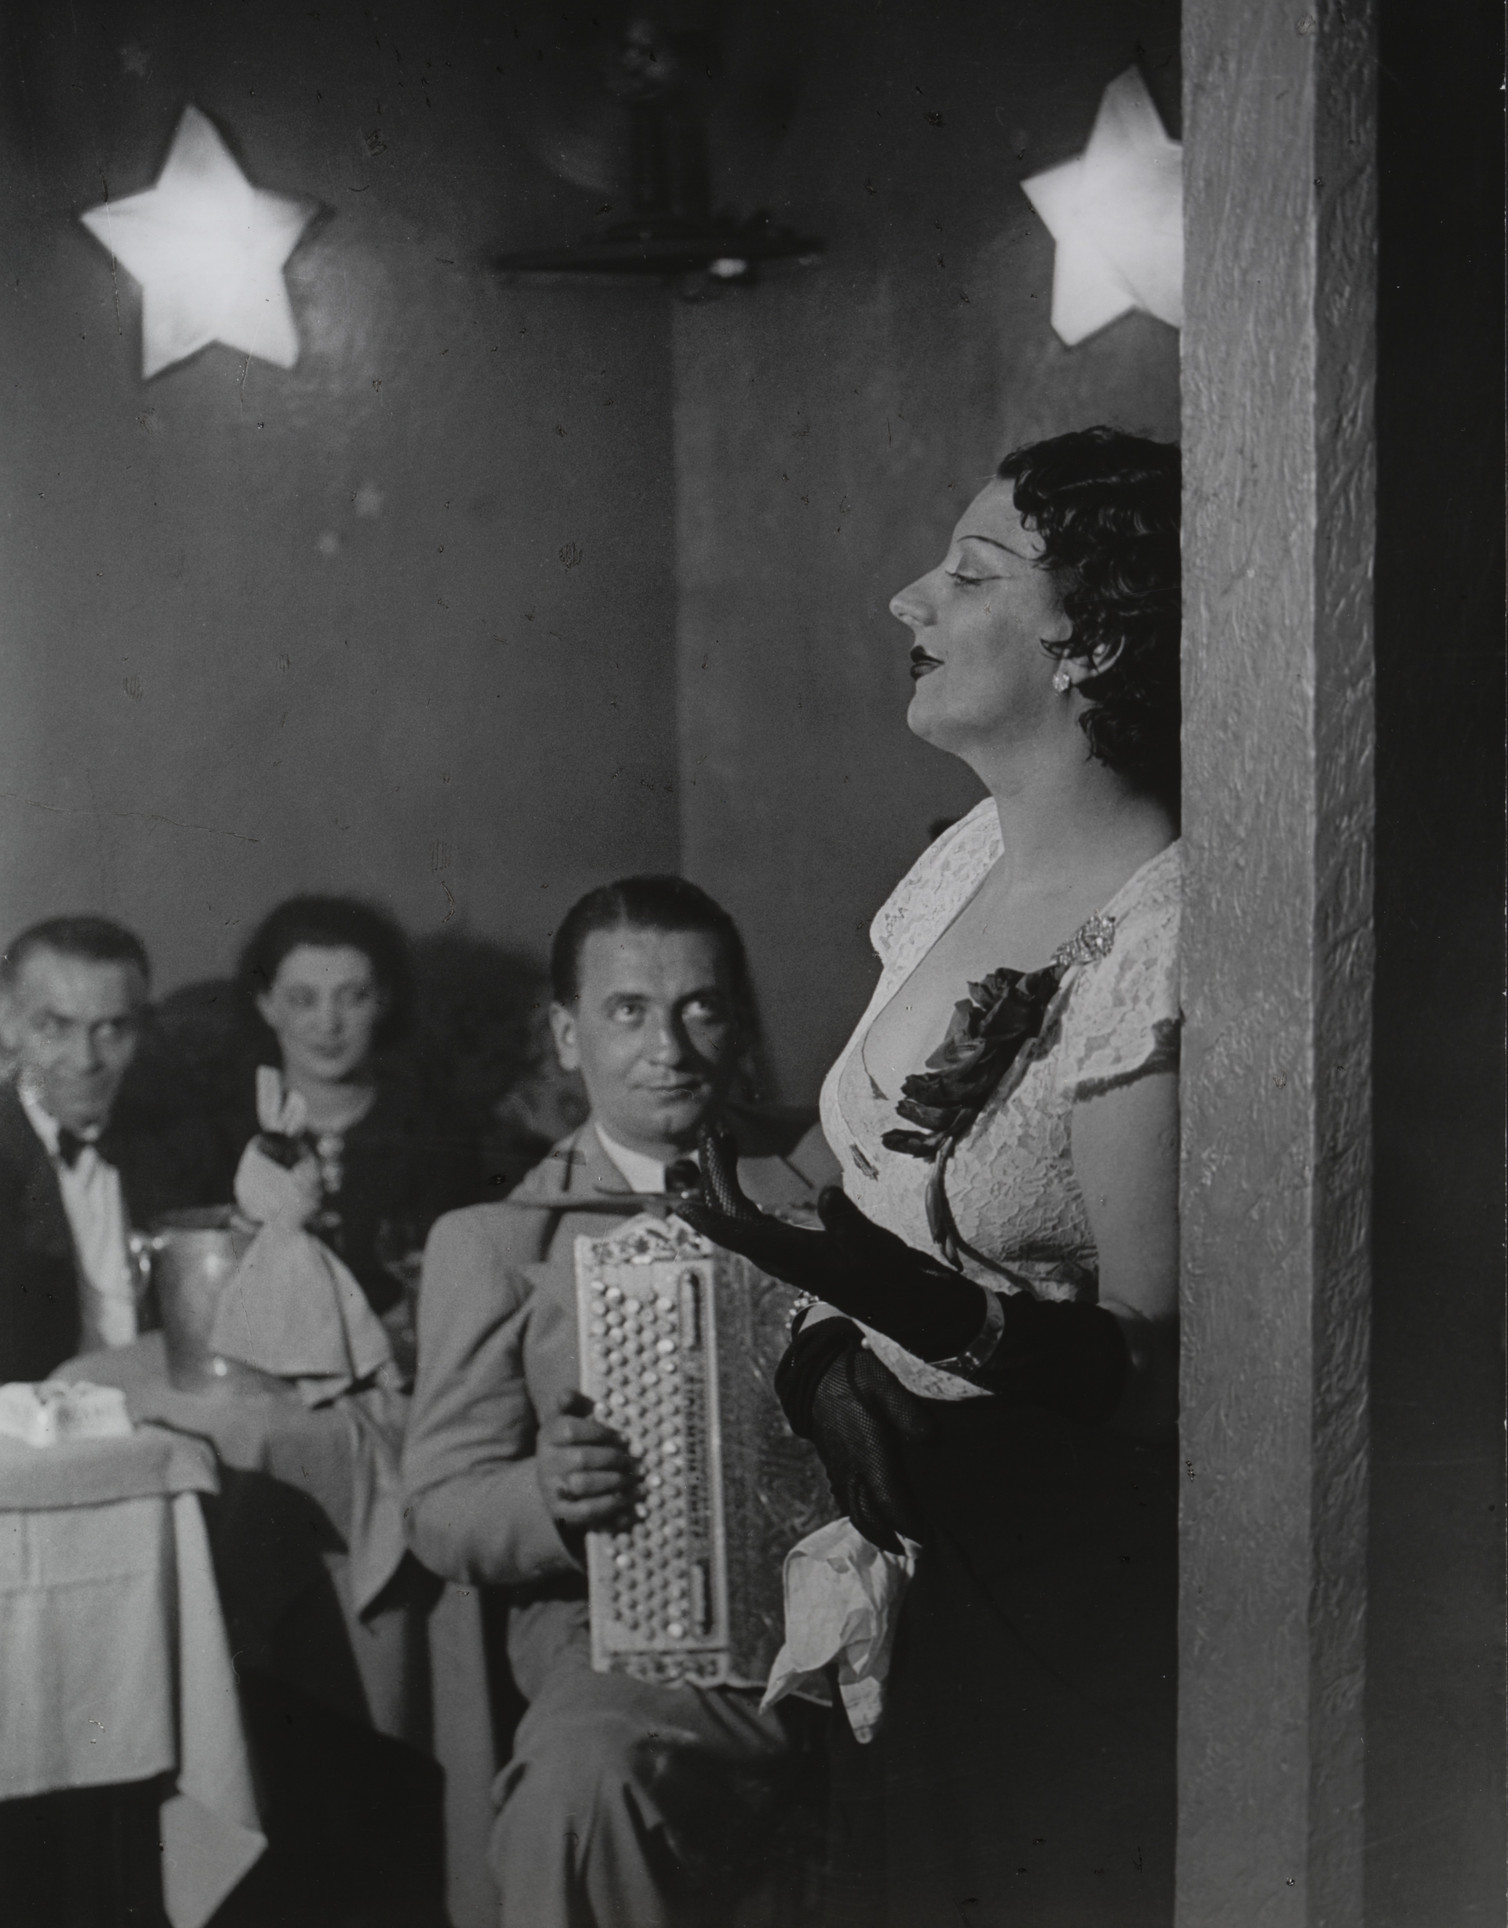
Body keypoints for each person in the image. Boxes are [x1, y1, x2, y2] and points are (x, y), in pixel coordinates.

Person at [682, 426, 1183, 1927]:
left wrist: (866, 1294)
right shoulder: (961, 860)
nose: (911, 598)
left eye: (972, 570)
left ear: (1088, 635)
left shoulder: (1164, 938)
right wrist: (824, 1358)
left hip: (1054, 1582)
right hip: (901, 1515)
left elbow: (1148, 1379)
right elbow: (834, 1177)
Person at [402, 875, 838, 1928]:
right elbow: (439, 1506)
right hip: (624, 1642)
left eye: (701, 1005)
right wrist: (550, 1493)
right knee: (580, 1785)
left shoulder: (833, 1173)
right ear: (566, 1035)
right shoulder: (500, 1241)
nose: (670, 1046)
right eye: (628, 1010)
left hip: (857, 1611)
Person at [217, 895, 483, 1330]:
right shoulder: (219, 1132)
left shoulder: (437, 1132)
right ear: (266, 1004)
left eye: (353, 998)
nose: (328, 1023)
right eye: (303, 999)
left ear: (383, 1001)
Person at [0, 916, 219, 1381]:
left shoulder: (183, 1134)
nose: (85, 1060)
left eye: (112, 1029)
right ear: (7, 1022)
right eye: (54, 1026)